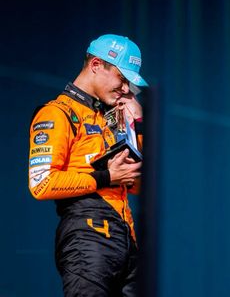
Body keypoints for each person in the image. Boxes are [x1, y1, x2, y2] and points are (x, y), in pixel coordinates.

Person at [28, 34, 148, 297]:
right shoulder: (56, 113)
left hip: (126, 238)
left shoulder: (111, 118)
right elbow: (40, 184)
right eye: (122, 78)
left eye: (129, 82)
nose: (126, 89)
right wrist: (106, 176)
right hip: (87, 239)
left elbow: (137, 185)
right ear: (96, 65)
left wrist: (136, 126)